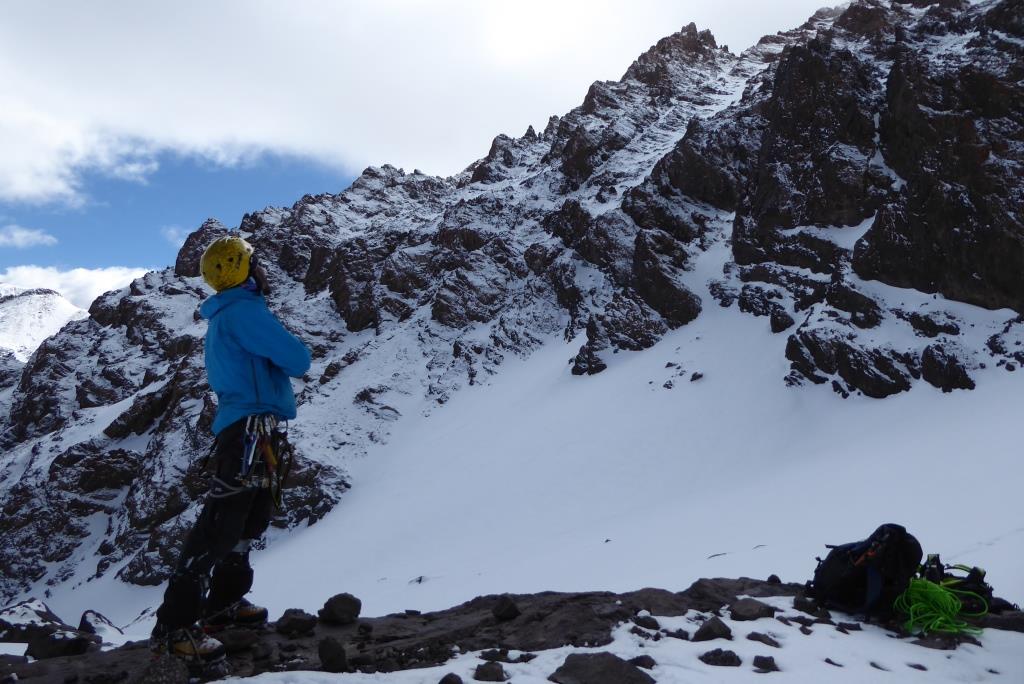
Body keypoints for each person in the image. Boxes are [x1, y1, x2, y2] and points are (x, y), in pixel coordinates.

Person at [150, 235, 311, 664]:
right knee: (221, 524)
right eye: (255, 262)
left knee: (246, 519)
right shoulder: (244, 312)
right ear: (243, 269)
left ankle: (223, 604)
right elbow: (298, 359)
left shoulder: (230, 313)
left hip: (252, 430)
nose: (263, 269)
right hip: (248, 431)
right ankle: (174, 627)